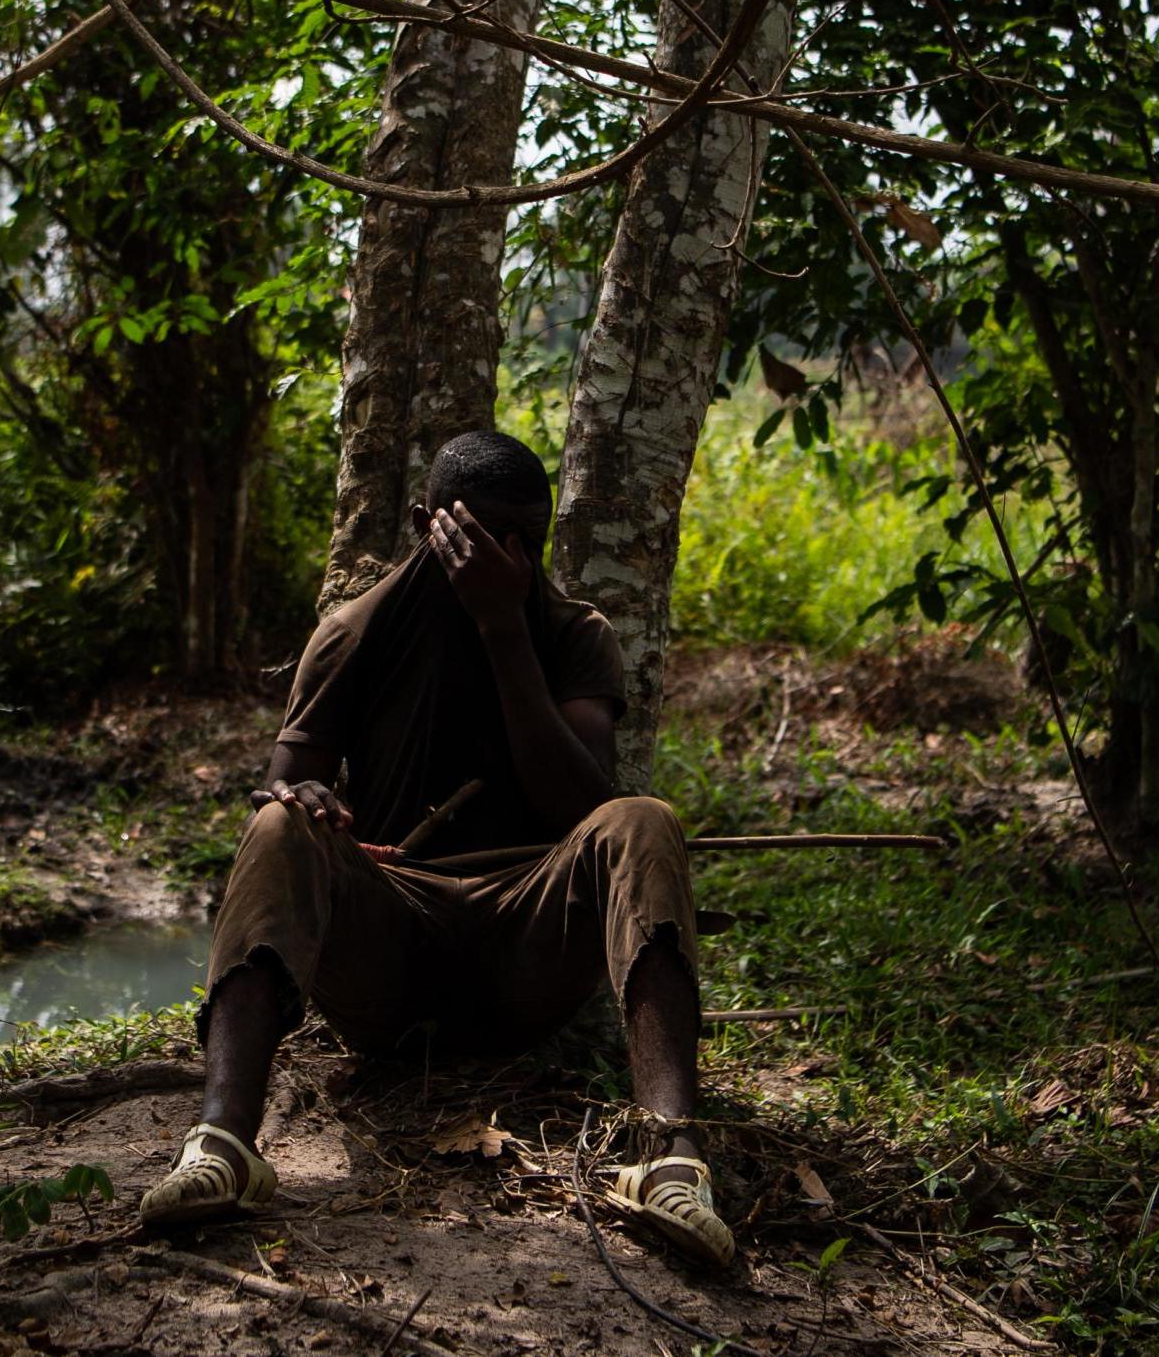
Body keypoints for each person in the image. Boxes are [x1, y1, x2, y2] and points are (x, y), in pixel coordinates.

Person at [136, 430, 732, 1268]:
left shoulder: (570, 631)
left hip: (522, 948)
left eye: (528, 538)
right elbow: (284, 789)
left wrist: (503, 633)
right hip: (394, 948)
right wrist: (316, 810)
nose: (508, 557)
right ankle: (225, 1146)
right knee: (275, 827)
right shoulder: (355, 631)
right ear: (428, 525)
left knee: (642, 818)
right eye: (483, 536)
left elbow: (583, 803)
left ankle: (670, 1158)